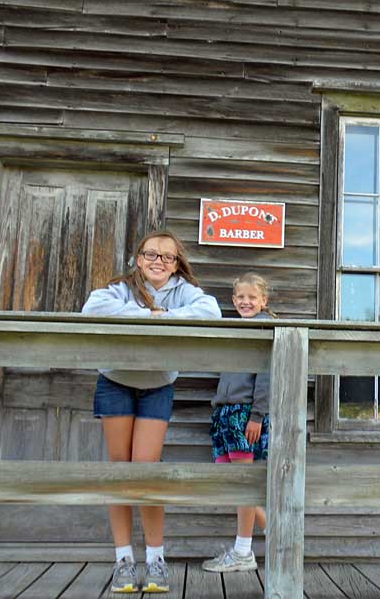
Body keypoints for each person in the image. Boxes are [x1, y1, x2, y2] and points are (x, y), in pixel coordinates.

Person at [82, 230, 221, 594]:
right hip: (115, 380)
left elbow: (210, 311)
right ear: (138, 258)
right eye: (151, 255)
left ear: (177, 264)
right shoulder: (121, 287)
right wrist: (147, 312)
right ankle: (124, 561)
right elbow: (92, 308)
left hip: (157, 383)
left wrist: (167, 314)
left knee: (147, 470)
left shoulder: (182, 290)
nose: (158, 262)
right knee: (119, 471)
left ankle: (156, 559)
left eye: (167, 257)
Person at [202, 272, 273, 573]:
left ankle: (244, 551)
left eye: (252, 297)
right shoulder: (234, 330)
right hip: (224, 416)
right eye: (240, 297)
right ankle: (280, 534)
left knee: (243, 485)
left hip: (245, 415)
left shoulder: (264, 330)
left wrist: (257, 416)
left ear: (263, 300)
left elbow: (266, 379)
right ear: (233, 301)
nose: (246, 302)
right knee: (231, 483)